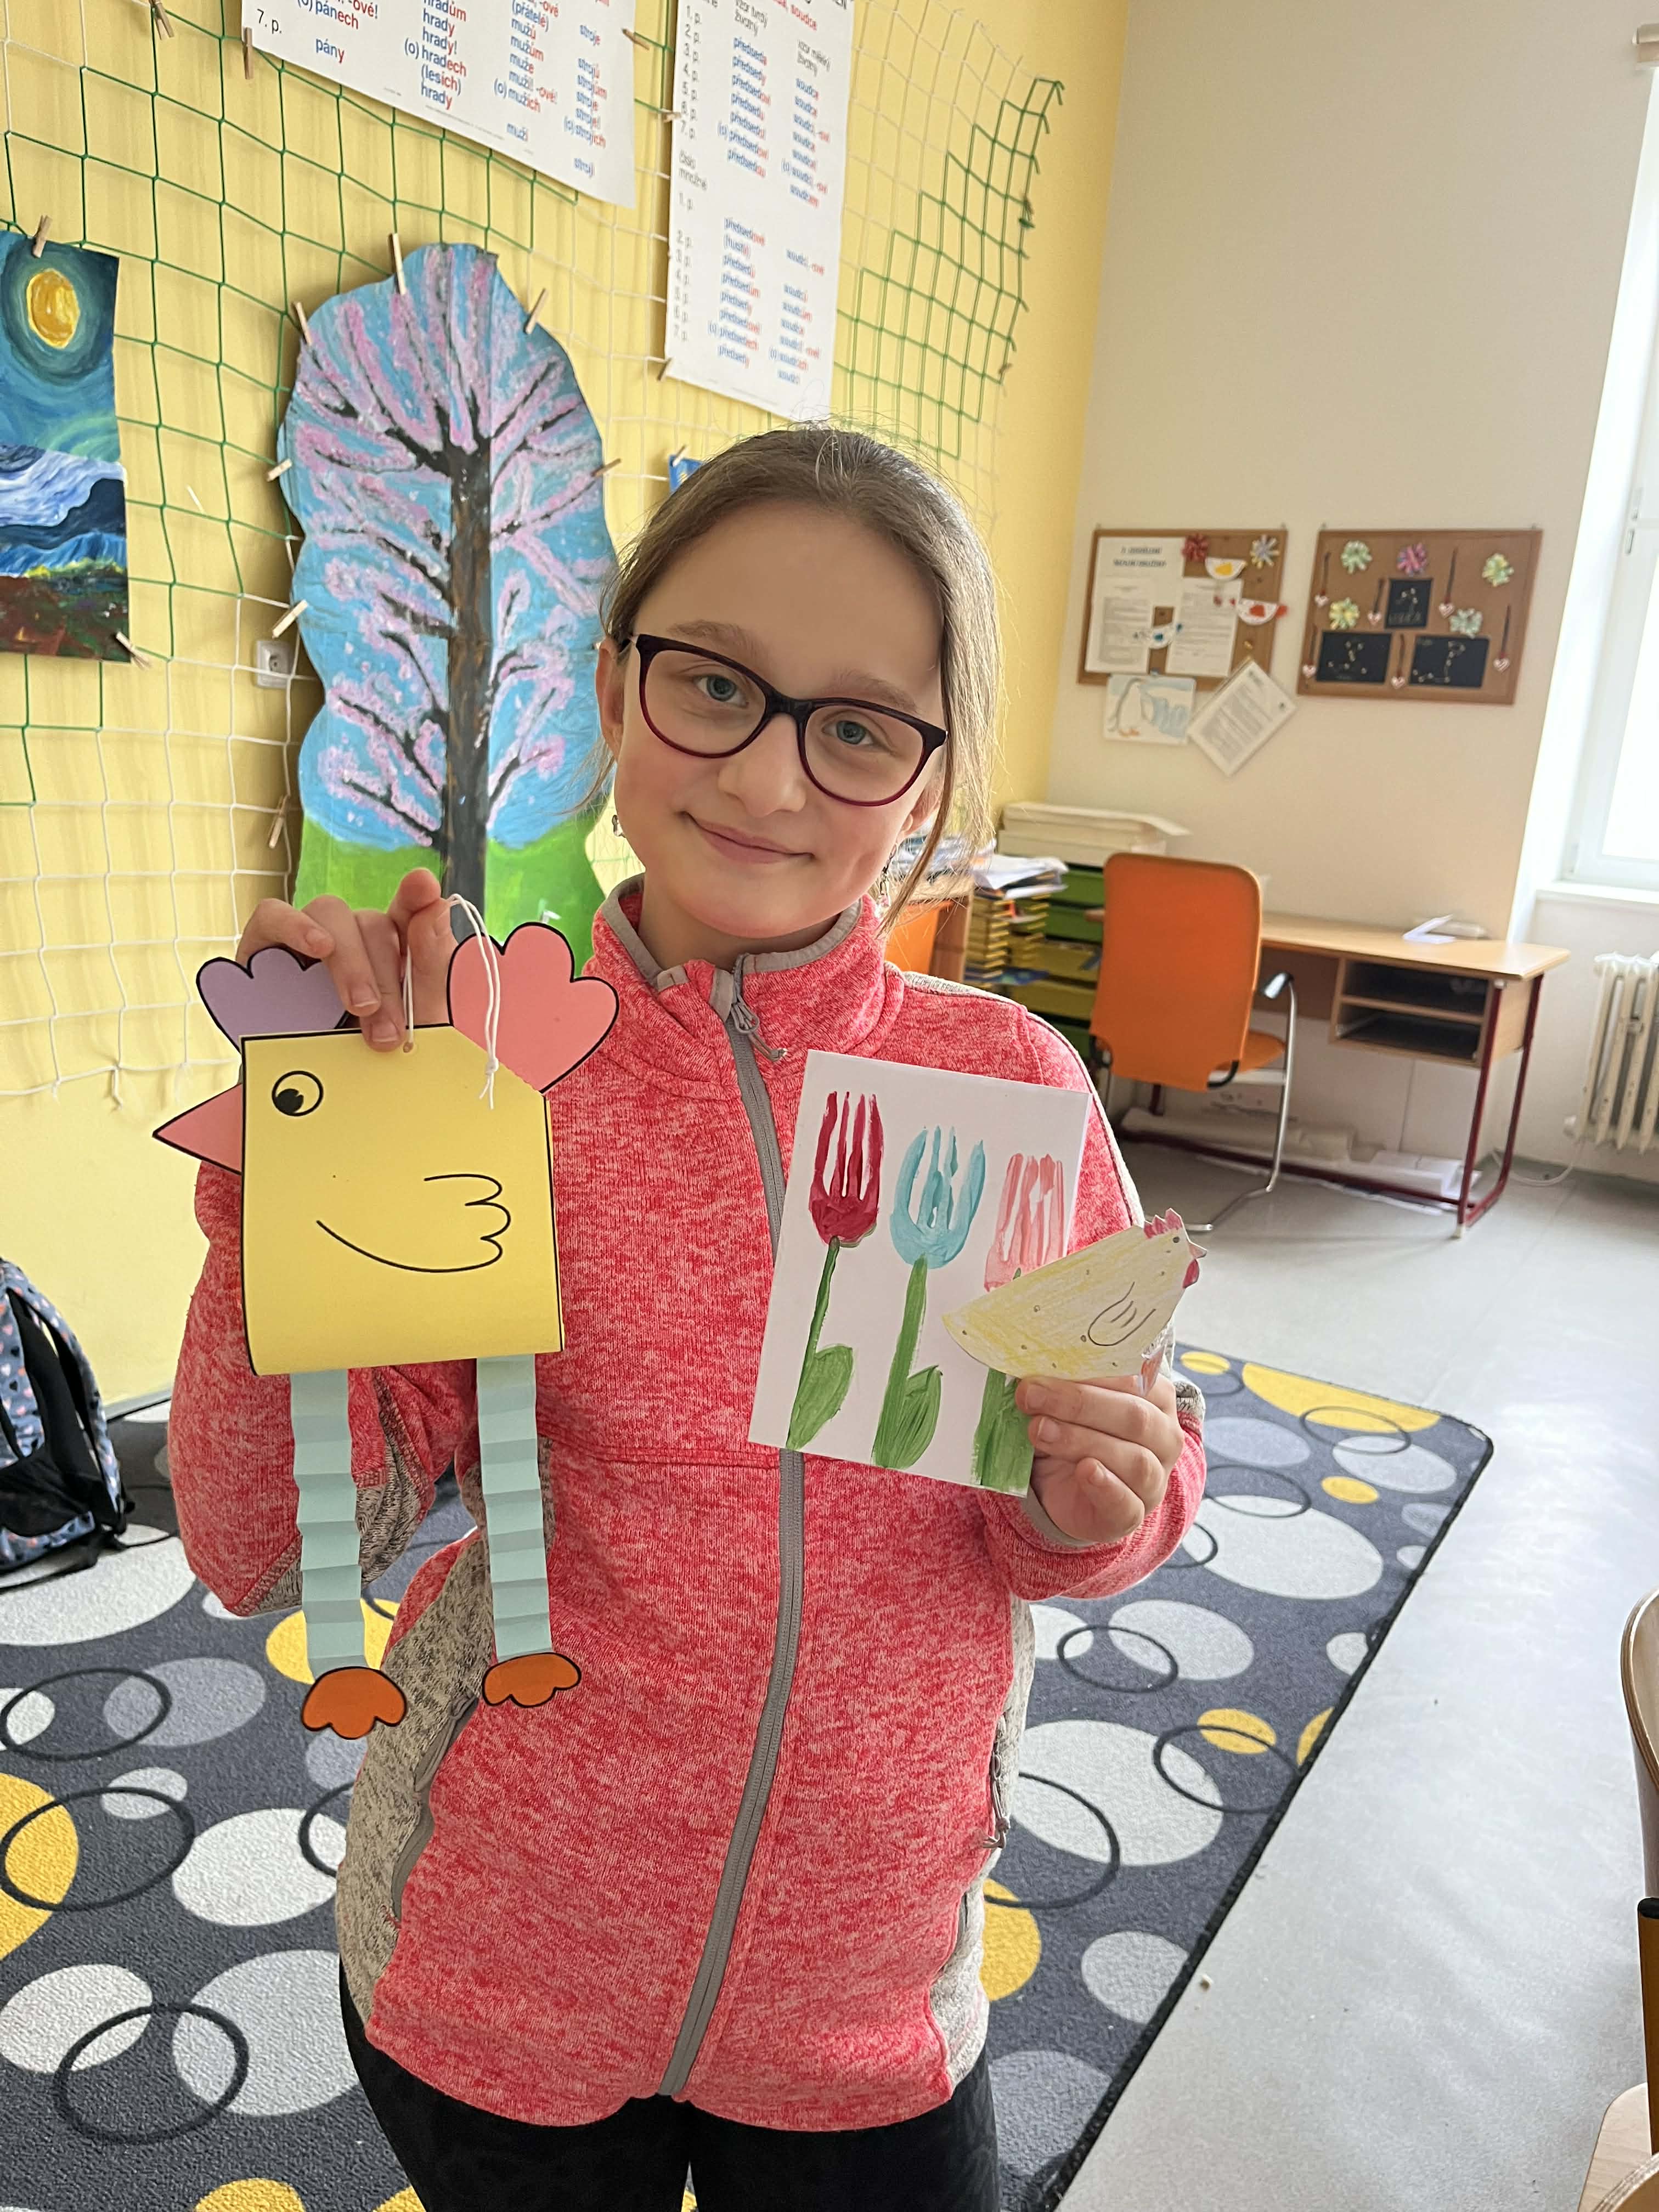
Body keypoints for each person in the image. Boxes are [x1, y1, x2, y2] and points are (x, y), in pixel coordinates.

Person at [167, 424, 1206, 2212]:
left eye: (859, 728)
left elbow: (1104, 1497)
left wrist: (1095, 1499)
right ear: (611, 687)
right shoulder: (483, 1075)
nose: (772, 779)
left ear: (930, 783)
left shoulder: (1007, 1083)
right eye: (714, 685)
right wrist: (299, 1176)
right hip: (505, 1985)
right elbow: (272, 1545)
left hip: (864, 2001)